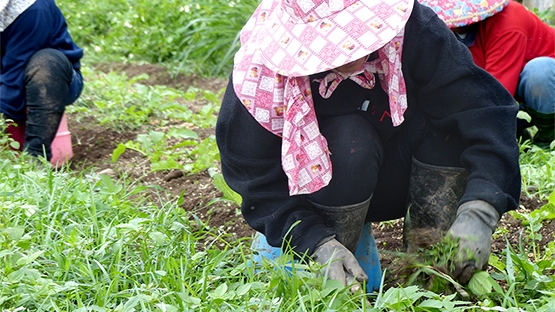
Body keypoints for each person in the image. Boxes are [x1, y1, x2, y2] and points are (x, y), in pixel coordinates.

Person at [216, 0, 521, 292]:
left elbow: (484, 113)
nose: (351, 51)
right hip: (322, 190)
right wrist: (315, 242)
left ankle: (434, 276)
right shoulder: (260, 74)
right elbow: (256, 180)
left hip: (403, 170)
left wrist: (481, 210)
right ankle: (338, 272)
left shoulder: (414, 30)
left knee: (451, 128)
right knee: (351, 141)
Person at [419, 0, 555, 149]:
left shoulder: (509, 19)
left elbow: (497, 92)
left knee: (539, 71)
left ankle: (548, 139)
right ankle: (517, 131)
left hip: (543, 87)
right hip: (517, 94)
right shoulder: (450, 33)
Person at [1, 0, 84, 160]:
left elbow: (15, 75)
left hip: (53, 80)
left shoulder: (32, 8)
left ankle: (35, 156)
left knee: (46, 64)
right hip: (7, 75)